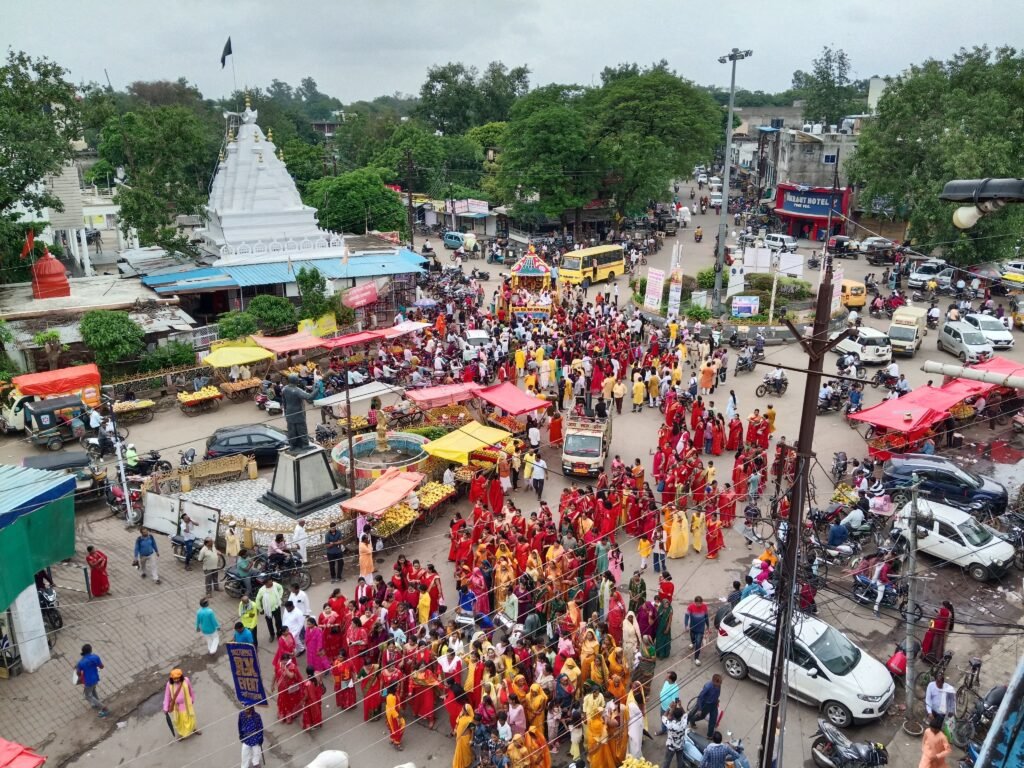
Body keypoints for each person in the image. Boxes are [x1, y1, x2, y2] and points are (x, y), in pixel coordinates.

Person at [163, 668, 200, 739]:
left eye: (177, 678)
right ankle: (181, 734)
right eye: (174, 678)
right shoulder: (169, 684)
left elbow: (190, 690)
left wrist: (192, 699)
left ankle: (194, 729)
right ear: (171, 678)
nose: (176, 680)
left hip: (187, 706)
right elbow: (167, 696)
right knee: (179, 721)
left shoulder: (186, 680)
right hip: (177, 708)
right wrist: (165, 707)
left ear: (181, 676)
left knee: (191, 718)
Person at [75, 643, 110, 717]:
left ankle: (104, 708)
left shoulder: (81, 662)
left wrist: (80, 676)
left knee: (88, 696)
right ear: (91, 650)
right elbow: (101, 667)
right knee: (93, 690)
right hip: (95, 678)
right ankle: (97, 703)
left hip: (88, 681)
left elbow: (78, 673)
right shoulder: (95, 657)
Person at [685, 596, 709, 666]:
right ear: (695, 602)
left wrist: (708, 626)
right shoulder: (690, 607)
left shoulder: (704, 606)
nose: (699, 605)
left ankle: (696, 658)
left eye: (700, 603)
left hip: (700, 629)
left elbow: (706, 616)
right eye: (698, 603)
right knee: (692, 638)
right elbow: (686, 616)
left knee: (698, 643)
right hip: (692, 627)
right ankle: (692, 643)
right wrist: (686, 625)